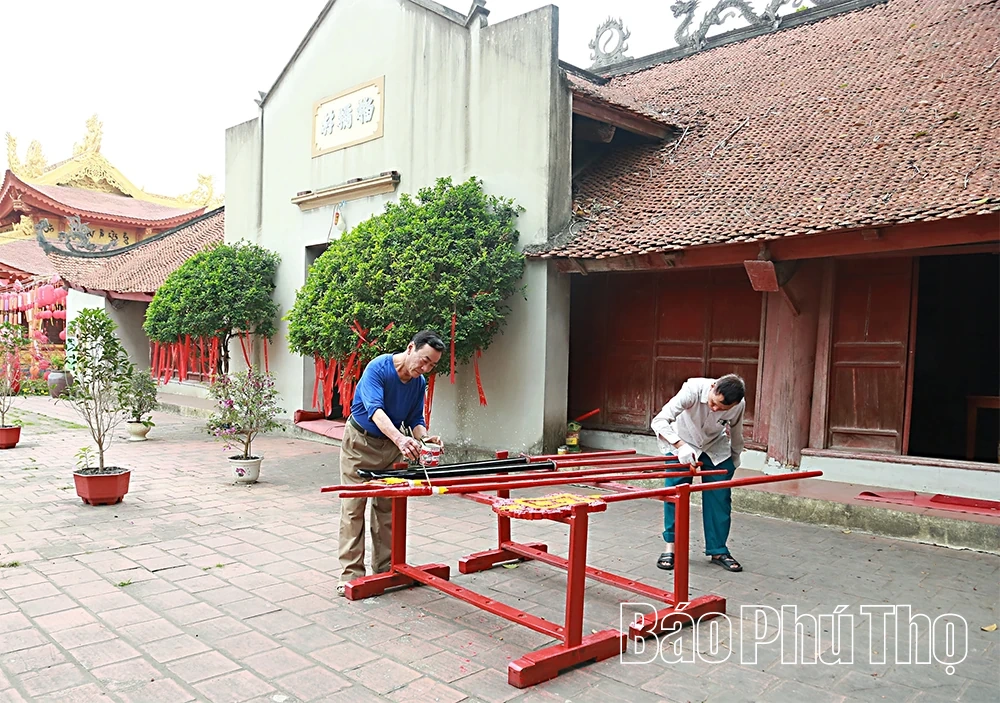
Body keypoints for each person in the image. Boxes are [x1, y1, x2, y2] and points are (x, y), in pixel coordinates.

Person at [336, 330, 445, 595]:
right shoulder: (378, 368)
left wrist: (424, 437)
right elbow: (375, 411)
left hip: (393, 448)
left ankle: (385, 570)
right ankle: (351, 575)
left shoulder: (419, 383)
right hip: (360, 444)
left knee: (387, 510)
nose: (426, 367)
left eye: (432, 365)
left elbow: (415, 419)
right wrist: (400, 439)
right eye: (424, 359)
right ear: (411, 348)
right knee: (353, 509)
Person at [650, 374, 746, 573]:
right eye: (714, 403)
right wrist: (680, 445)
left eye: (722, 409)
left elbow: (736, 431)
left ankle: (718, 550)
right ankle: (671, 547)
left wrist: (735, 458)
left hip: (715, 446)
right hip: (682, 441)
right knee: (675, 494)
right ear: (713, 387)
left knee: (719, 496)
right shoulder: (692, 389)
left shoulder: (738, 404)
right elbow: (659, 421)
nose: (715, 409)